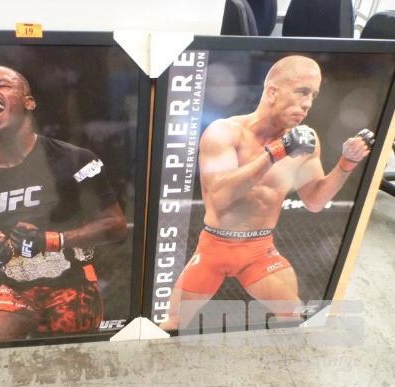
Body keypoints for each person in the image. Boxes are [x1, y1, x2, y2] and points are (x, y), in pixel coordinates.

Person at [160, 55, 374, 330]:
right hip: (215, 246)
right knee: (174, 322)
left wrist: (346, 164)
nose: (308, 103)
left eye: (313, 95)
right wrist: (274, 153)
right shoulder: (225, 132)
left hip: (259, 250)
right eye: (302, 91)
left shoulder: (305, 141)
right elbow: (220, 197)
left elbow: (315, 201)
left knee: (293, 315)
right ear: (273, 91)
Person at [0, 66, 128, 342]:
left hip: (73, 286)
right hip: (16, 288)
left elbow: (117, 226)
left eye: (1, 84)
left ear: (29, 102)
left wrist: (52, 240)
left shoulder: (75, 160)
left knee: (70, 358)